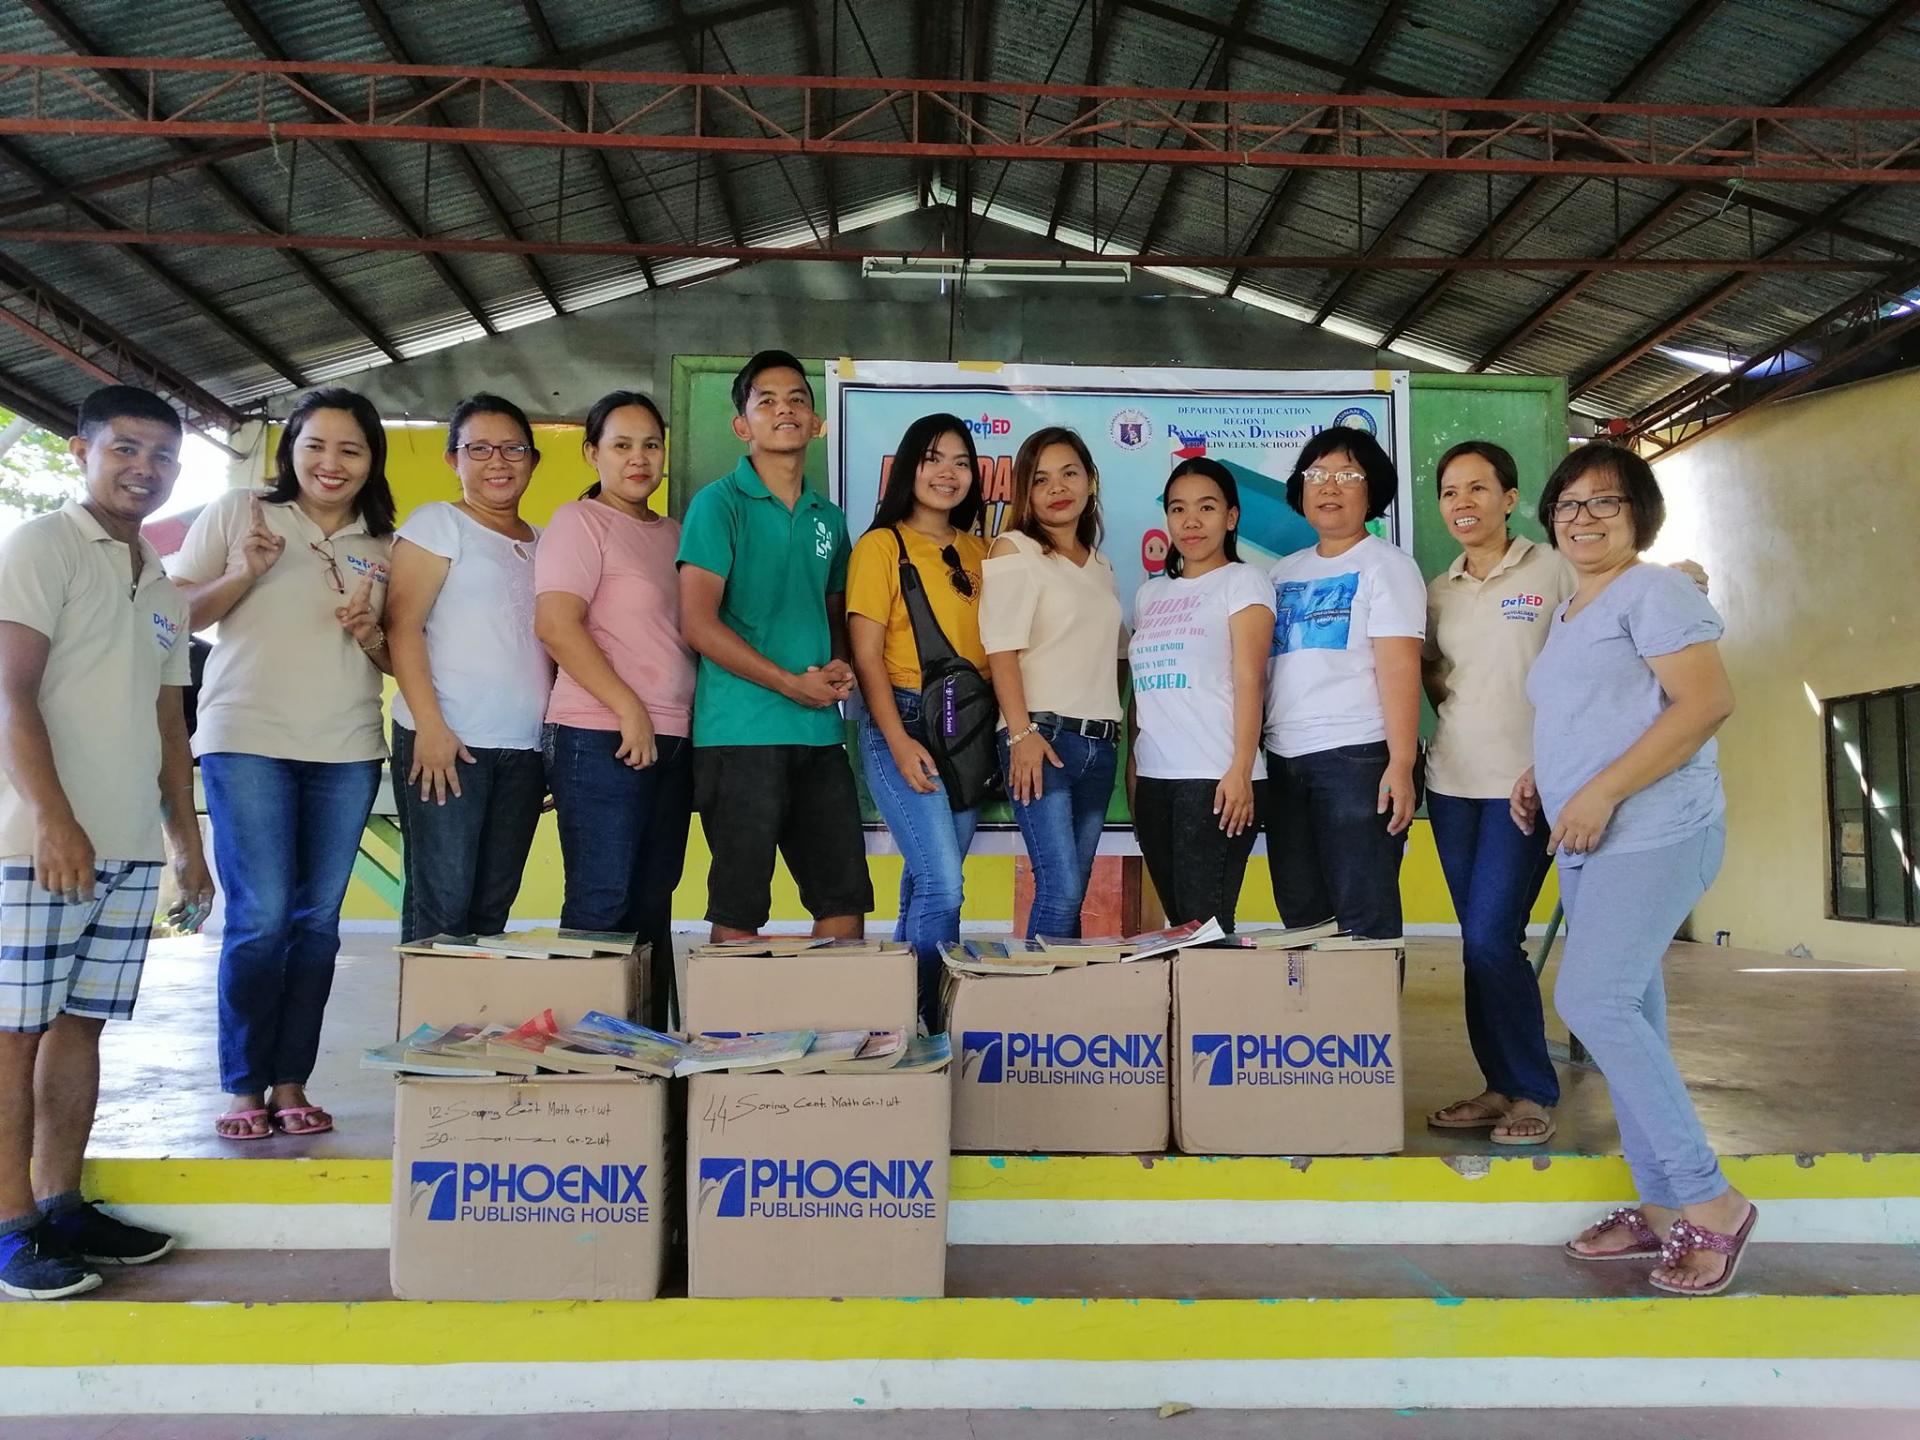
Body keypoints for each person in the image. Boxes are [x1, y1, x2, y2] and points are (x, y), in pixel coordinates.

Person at [1423, 442, 1711, 1148]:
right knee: (1476, 944)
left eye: (1479, 488)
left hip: (1535, 793)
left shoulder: (1557, 566)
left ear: (1512, 499)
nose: (1464, 503)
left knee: (1495, 938)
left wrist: (1682, 578)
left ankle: (1531, 1089)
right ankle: (1500, 1085)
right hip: (1454, 783)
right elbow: (1434, 676)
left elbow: (1635, 628)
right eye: (1451, 492)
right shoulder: (1439, 589)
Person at [1516, 443, 1750, 1297]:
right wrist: (1544, 774)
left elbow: (1706, 701)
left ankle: (1710, 1201)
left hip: (1654, 828)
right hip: (1591, 836)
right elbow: (1599, 710)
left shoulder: (1656, 590)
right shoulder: (1576, 610)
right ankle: (1659, 1207)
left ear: (1640, 517)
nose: (1583, 516)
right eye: (1569, 504)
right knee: (1632, 1013)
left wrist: (1603, 789)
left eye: (1605, 502)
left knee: (1592, 999)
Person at [0, 385, 213, 1300]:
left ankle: (62, 1203)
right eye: (125, 449)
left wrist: (185, 842)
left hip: (124, 843)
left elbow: (170, 724)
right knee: (12, 1036)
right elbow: (9, 692)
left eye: (162, 456)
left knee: (81, 1028)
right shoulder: (41, 547)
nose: (145, 470)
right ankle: (10, 1230)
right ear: (83, 451)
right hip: (35, 842)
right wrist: (52, 816)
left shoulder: (161, 582)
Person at [171, 388, 395, 1141]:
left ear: (371, 462)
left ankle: (292, 1078)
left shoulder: (385, 545)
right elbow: (173, 618)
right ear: (290, 451)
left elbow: (400, 656)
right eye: (316, 446)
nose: (331, 463)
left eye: (351, 449)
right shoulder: (242, 513)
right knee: (261, 917)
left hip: (347, 749)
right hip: (247, 739)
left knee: (317, 925)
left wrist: (372, 636)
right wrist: (242, 573)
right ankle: (243, 1086)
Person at [677, 351, 872, 941]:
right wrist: (790, 683)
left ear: (818, 423)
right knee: (739, 910)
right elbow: (697, 623)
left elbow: (832, 613)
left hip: (818, 736)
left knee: (843, 904)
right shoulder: (718, 504)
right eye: (767, 401)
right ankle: (734, 1037)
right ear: (743, 425)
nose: (784, 410)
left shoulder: (830, 519)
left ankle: (836, 1034)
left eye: (797, 400)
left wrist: (841, 662)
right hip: (739, 736)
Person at [535, 390, 693, 1027]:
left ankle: (646, 1063)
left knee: (653, 903)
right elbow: (556, 624)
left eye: (650, 444)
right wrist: (628, 706)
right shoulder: (580, 522)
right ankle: (588, 1072)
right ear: (591, 452)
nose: (638, 458)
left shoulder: (675, 533)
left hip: (671, 738)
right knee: (602, 900)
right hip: (600, 734)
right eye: (621, 445)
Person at [386, 394, 553, 941]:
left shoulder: (544, 542)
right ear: (452, 460)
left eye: (512, 449)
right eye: (478, 449)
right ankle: (430, 1027)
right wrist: (430, 727)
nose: (498, 462)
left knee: (491, 911)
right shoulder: (438, 524)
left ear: (532, 460)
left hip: (524, 751)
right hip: (449, 742)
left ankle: (471, 1028)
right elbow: (401, 625)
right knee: (443, 910)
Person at [847, 413, 990, 1024]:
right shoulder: (881, 546)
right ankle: (929, 1024)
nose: (947, 473)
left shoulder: (981, 549)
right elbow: (866, 653)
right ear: (909, 466)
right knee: (944, 885)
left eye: (960, 461)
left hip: (969, 729)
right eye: (933, 458)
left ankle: (898, 1019)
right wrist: (899, 740)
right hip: (900, 719)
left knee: (926, 881)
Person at [1262, 427, 1424, 938]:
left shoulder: (1388, 566)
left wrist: (1400, 764)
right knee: (1302, 917)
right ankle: (1321, 1021)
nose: (1329, 486)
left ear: (1372, 490)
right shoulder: (1281, 573)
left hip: (1356, 760)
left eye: (1347, 475)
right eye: (1317, 475)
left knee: (1363, 917)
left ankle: (1368, 1020)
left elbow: (1400, 667)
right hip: (1284, 762)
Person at [981, 427, 1124, 940]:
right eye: (1040, 479)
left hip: (1099, 745)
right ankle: (1030, 1008)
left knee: (1075, 889)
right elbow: (1001, 649)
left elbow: (1115, 653)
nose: (1058, 488)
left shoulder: (1102, 566)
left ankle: (1060, 1007)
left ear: (1091, 481)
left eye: (1069, 473)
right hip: (1042, 739)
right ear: (1025, 492)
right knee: (1060, 887)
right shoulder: (1013, 550)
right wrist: (1020, 735)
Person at [1128, 458, 1273, 931]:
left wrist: (1240, 770)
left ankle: (1214, 1007)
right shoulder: (1150, 595)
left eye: (1206, 508)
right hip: (1155, 783)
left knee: (1204, 926)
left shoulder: (1244, 582)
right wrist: (1135, 779)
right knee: (1180, 926)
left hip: (1215, 782)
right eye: (1178, 509)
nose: (1191, 522)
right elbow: (1142, 699)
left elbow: (1252, 680)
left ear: (1231, 517)